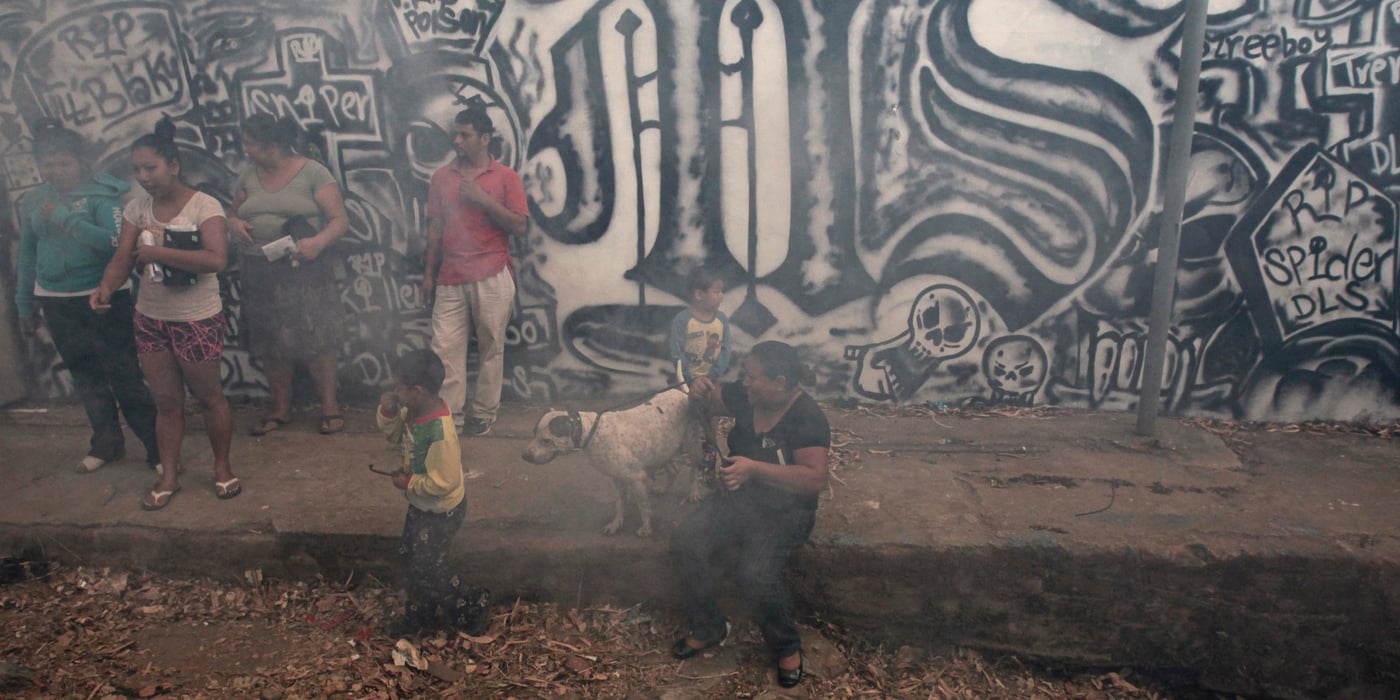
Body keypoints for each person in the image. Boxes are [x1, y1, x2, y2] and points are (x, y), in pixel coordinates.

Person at [90, 117, 239, 511]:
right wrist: (106, 286)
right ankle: (169, 475)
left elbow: (216, 259)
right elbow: (122, 258)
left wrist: (159, 253)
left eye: (150, 168)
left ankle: (222, 469)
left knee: (209, 398)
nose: (144, 177)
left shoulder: (205, 206)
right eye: (138, 170)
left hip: (197, 317)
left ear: (173, 165)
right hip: (150, 317)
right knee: (167, 403)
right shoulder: (137, 208)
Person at [670, 341, 830, 688]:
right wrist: (699, 387)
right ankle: (710, 626)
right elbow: (709, 400)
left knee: (756, 574)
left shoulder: (807, 416)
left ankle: (786, 647)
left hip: (786, 512)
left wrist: (755, 469)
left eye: (752, 377)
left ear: (781, 382)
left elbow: (815, 477)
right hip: (739, 498)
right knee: (686, 541)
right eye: (745, 376)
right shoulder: (749, 396)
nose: (744, 382)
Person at [15, 120, 160, 473]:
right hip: (55, 299)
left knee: (124, 373)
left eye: (63, 162)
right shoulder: (34, 200)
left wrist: (66, 218)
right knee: (85, 375)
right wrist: (24, 303)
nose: (55, 170)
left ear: (81, 161)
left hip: (104, 297)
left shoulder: (105, 195)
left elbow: (115, 245)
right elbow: (28, 254)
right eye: (47, 163)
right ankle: (106, 443)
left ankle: (157, 448)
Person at [227, 114, 350, 436]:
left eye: (250, 144)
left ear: (271, 145)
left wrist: (318, 242)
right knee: (270, 340)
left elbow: (339, 220)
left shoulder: (312, 172)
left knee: (318, 336)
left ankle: (329, 406)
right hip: (258, 268)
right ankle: (281, 407)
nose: (246, 150)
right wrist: (235, 224)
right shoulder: (248, 176)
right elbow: (232, 211)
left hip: (303, 268)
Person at [422, 107, 528, 436]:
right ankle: (449, 418)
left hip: (493, 271)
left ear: (484, 138)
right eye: (456, 134)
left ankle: (483, 414)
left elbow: (520, 226)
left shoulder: (505, 176)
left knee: (491, 347)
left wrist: (483, 200)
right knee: (444, 349)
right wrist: (428, 275)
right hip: (451, 275)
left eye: (465, 135)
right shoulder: (442, 176)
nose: (457, 141)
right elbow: (435, 229)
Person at [377, 349, 491, 637]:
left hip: (441, 510)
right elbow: (393, 436)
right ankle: (421, 616)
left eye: (398, 389)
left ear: (416, 391)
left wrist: (408, 482)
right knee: (411, 558)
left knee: (430, 567)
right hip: (421, 504)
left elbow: (445, 482)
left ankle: (474, 602)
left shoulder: (440, 432)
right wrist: (389, 411)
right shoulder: (412, 412)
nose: (394, 393)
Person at [669, 267, 731, 475]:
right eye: (717, 291)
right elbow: (677, 353)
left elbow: (725, 351)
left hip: (711, 381)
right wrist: (690, 379)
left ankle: (709, 455)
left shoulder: (722, 320)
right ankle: (676, 456)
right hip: (685, 383)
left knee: (710, 418)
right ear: (699, 294)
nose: (722, 296)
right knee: (683, 418)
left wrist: (711, 377)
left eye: (722, 291)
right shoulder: (682, 320)